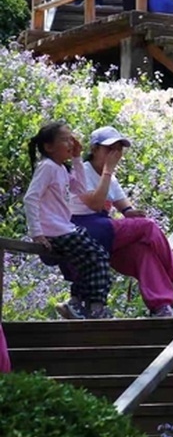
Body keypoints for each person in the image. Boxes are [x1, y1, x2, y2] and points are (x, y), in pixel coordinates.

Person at [68, 126, 173, 318]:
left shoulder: (111, 178)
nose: (115, 154)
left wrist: (132, 212)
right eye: (110, 149)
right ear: (94, 150)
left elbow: (125, 209)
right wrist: (108, 171)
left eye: (119, 149)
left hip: (104, 235)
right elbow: (95, 204)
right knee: (148, 226)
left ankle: (161, 306)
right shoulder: (82, 172)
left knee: (142, 252)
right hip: (85, 229)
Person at [22, 122, 112, 319]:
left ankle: (78, 303)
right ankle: (94, 306)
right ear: (49, 147)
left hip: (65, 228)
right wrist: (37, 234)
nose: (71, 143)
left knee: (93, 258)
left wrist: (78, 158)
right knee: (98, 257)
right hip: (55, 231)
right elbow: (31, 198)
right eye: (65, 139)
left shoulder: (61, 168)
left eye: (71, 138)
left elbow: (80, 188)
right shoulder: (47, 167)